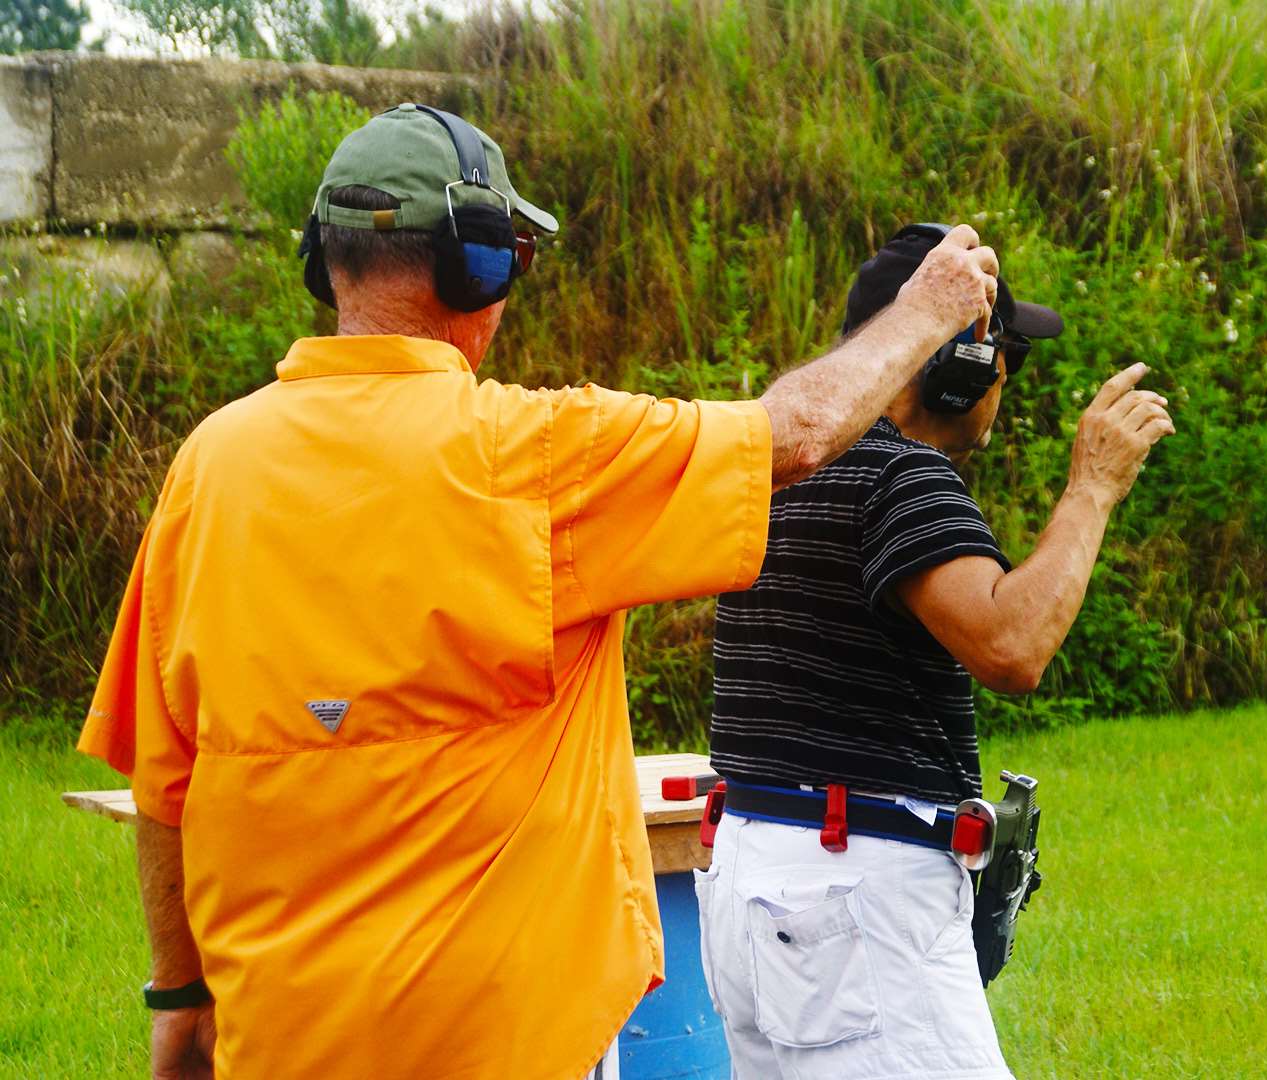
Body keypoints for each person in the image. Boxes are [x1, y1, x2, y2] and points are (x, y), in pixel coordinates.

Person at [76, 106, 1001, 1080]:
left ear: (324, 261)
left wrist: (179, 996)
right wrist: (930, 307)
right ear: (478, 265)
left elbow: (165, 780)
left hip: (275, 1045)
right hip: (505, 1045)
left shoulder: (208, 469)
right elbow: (796, 433)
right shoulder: (534, 457)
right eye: (511, 250)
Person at [697, 223, 1175, 1078]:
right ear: (952, 363)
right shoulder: (897, 475)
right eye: (1004, 356)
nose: (1003, 382)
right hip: (852, 902)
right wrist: (1093, 486)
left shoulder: (777, 473)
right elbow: (1012, 645)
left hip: (750, 884)